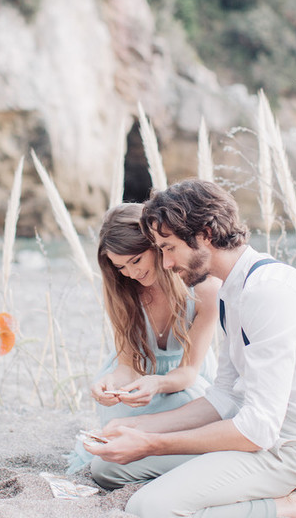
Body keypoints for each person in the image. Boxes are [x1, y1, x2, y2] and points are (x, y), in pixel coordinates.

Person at [84, 179, 296, 518]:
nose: (164, 263)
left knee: (150, 509)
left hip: (292, 448)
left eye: (169, 248)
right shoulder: (232, 291)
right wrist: (138, 427)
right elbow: (225, 396)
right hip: (257, 435)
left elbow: (258, 428)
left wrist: (153, 443)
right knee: (106, 468)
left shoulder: (269, 293)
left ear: (205, 233)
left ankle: (292, 506)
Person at [66, 201, 219, 472]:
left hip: (183, 384)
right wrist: (110, 381)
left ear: (157, 245)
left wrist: (157, 384)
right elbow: (126, 365)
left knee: (193, 415)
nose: (132, 273)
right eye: (121, 267)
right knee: (117, 437)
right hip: (136, 387)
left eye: (136, 260)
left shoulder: (204, 291)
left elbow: (189, 372)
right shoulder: (123, 291)